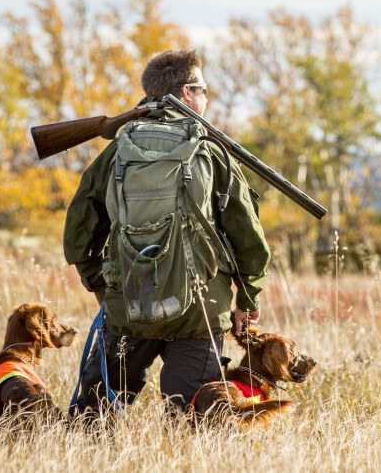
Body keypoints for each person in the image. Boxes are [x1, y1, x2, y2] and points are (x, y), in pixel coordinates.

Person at [64, 49, 271, 418]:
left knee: (93, 418)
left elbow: (79, 234)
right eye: (203, 90)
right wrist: (247, 298)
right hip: (200, 311)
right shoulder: (210, 150)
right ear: (187, 92)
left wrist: (106, 288)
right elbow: (248, 237)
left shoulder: (119, 149)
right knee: (196, 420)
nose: (207, 98)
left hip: (128, 306)